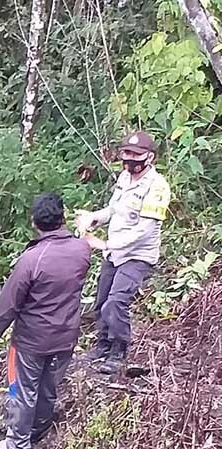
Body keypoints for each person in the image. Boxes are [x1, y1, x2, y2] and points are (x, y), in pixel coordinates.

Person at [0, 193, 91, 449]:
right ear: (63, 218)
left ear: (34, 223)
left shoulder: (31, 260)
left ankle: (19, 446)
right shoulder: (82, 249)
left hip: (32, 341)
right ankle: (38, 430)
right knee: (48, 387)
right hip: (66, 336)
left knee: (23, 390)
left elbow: (9, 302)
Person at [77, 131, 171, 375]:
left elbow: (144, 229)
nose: (129, 159)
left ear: (149, 157)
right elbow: (114, 209)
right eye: (126, 153)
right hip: (115, 254)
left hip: (137, 256)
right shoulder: (124, 178)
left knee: (116, 301)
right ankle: (103, 345)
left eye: (135, 154)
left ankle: (119, 351)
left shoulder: (157, 186)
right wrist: (94, 218)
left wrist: (107, 244)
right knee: (102, 301)